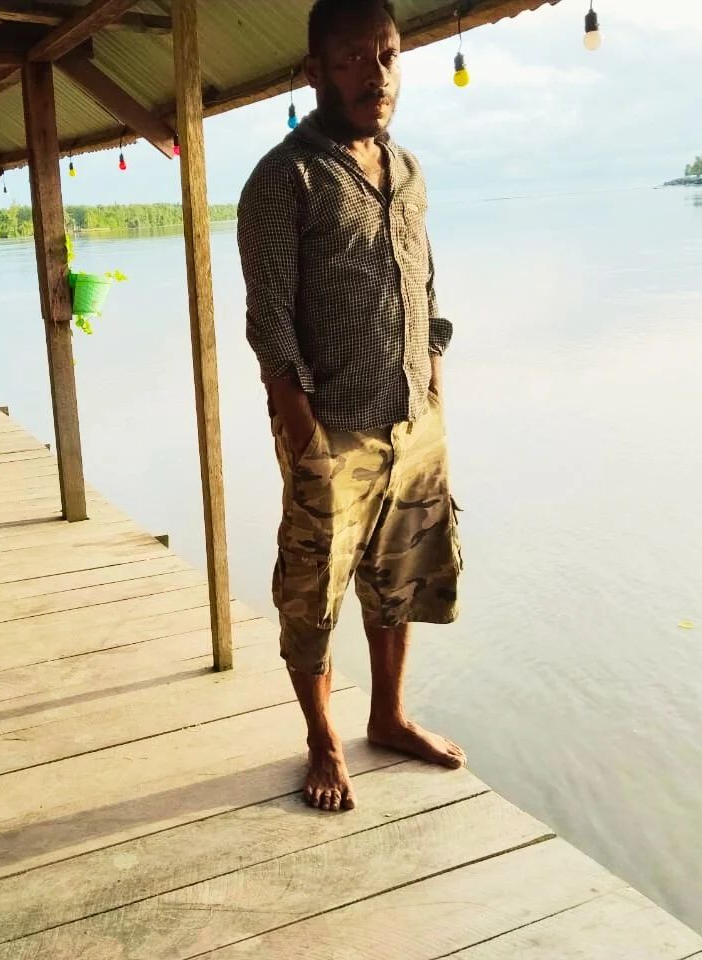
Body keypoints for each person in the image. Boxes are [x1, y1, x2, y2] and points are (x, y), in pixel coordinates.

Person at [237, 0, 466, 813]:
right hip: (331, 429)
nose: (376, 75)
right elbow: (270, 322)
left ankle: (388, 717)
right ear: (316, 71)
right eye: (353, 59)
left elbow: (426, 285)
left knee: (400, 577)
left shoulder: (407, 171)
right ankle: (322, 740)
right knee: (314, 595)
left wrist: (432, 379)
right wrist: (304, 434)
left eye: (388, 55)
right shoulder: (284, 178)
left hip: (413, 417)